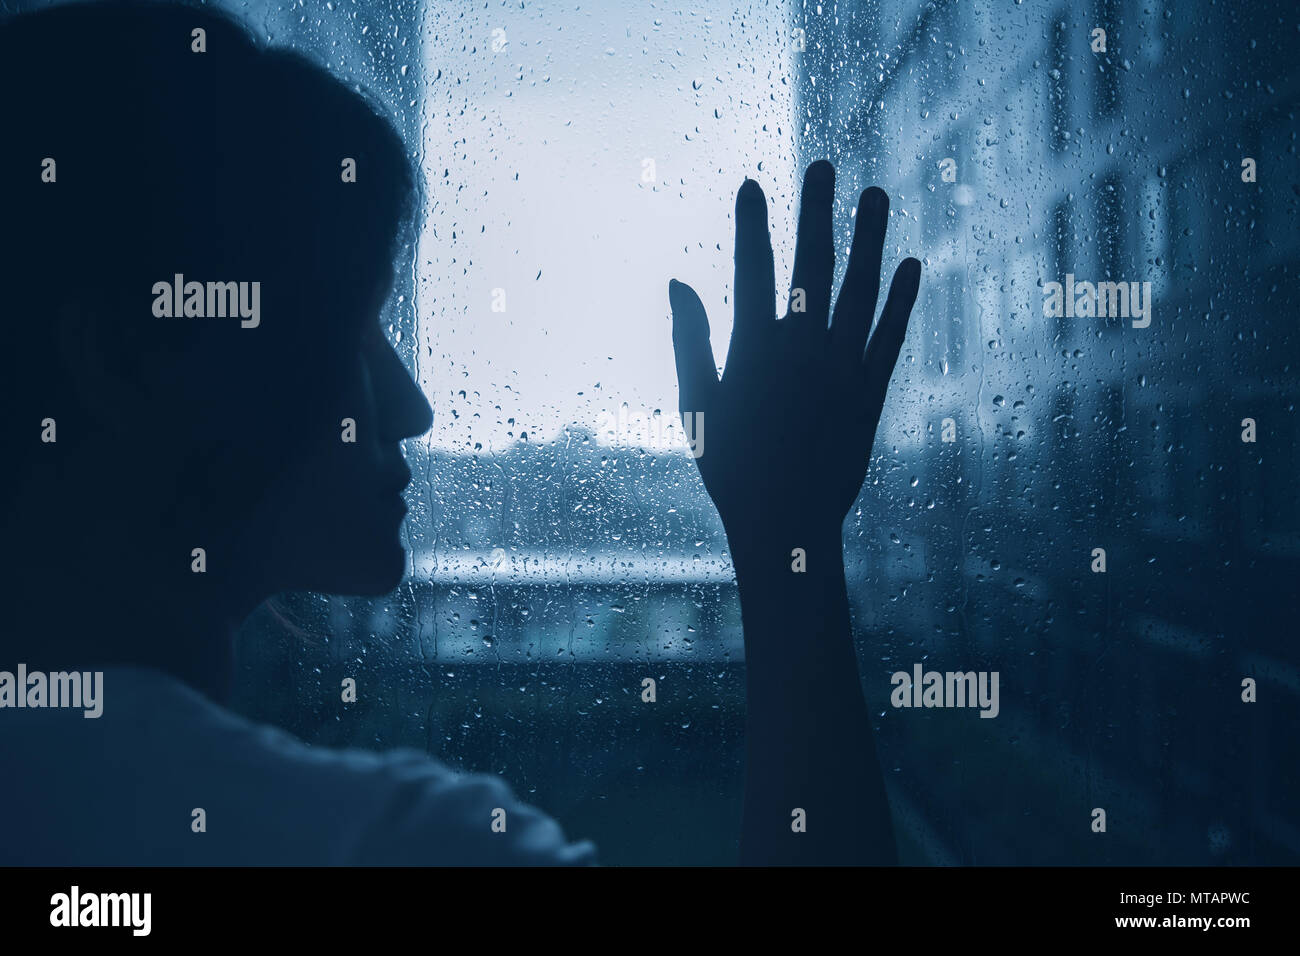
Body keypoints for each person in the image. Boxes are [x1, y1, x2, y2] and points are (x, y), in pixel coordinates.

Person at [0, 0, 919, 866]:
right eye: (353, 328)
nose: (412, 408)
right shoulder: (397, 848)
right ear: (128, 362)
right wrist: (786, 537)